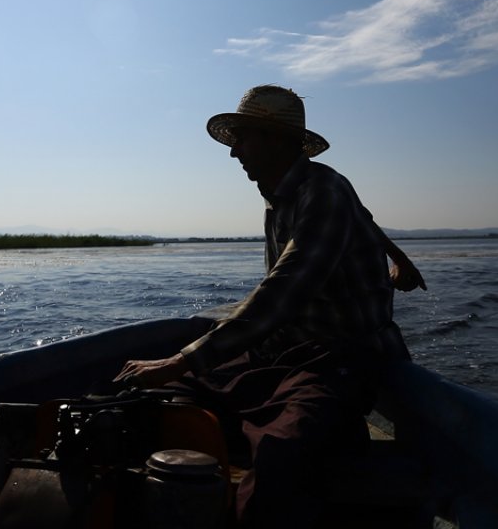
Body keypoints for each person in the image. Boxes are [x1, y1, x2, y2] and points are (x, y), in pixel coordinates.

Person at [114, 84, 424, 527]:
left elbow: (282, 293)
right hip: (281, 352)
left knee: (285, 451)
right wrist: (399, 257)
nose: (234, 152)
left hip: (337, 358)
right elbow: (365, 217)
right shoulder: (281, 196)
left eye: (242, 138)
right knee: (159, 397)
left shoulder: (324, 192)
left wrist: (180, 359)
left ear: (276, 140)